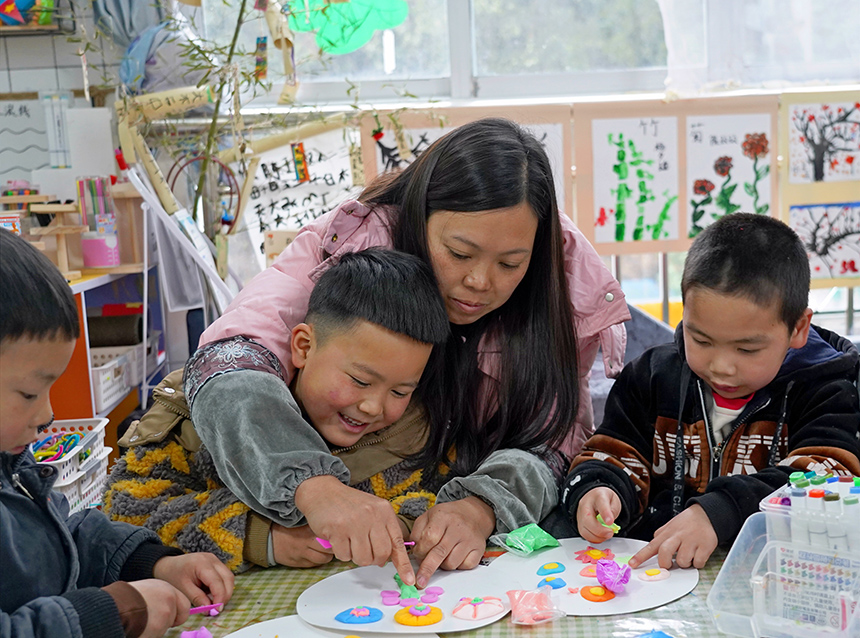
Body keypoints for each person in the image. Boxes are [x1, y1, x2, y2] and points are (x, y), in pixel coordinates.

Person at [189, 118, 630, 588]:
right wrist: (314, 488)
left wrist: (483, 506)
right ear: (418, 218)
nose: (480, 282)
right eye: (459, 253)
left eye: (509, 264)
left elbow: (554, 443)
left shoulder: (558, 296)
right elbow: (228, 366)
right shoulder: (344, 251)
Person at [105, 249, 455, 583]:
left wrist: (399, 526)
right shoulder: (202, 421)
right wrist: (261, 537)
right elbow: (124, 512)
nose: (373, 407)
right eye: (360, 381)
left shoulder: (413, 433)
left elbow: (438, 499)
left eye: (400, 392)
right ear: (303, 346)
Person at [562, 213, 860, 570]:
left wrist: (720, 511)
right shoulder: (650, 378)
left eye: (747, 349)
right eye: (701, 340)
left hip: (771, 575)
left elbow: (826, 481)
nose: (721, 366)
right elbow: (614, 451)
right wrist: (600, 488)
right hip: (659, 576)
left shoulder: (826, 390)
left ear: (798, 328)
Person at [0, 228, 234, 638]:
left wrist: (152, 563)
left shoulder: (10, 461)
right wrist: (112, 614)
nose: (49, 413)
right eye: (29, 393)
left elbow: (58, 541)